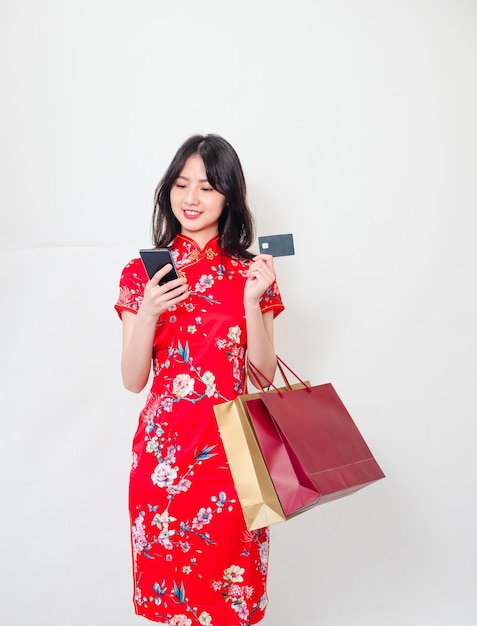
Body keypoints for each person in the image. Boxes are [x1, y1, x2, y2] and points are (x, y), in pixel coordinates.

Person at [114, 134, 284, 626]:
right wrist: (147, 312)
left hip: (235, 454)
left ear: (229, 195)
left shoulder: (253, 273)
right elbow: (132, 380)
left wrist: (253, 304)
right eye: (181, 185)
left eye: (207, 187)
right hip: (165, 454)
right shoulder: (140, 275)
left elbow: (262, 376)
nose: (191, 199)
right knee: (170, 598)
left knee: (231, 597)